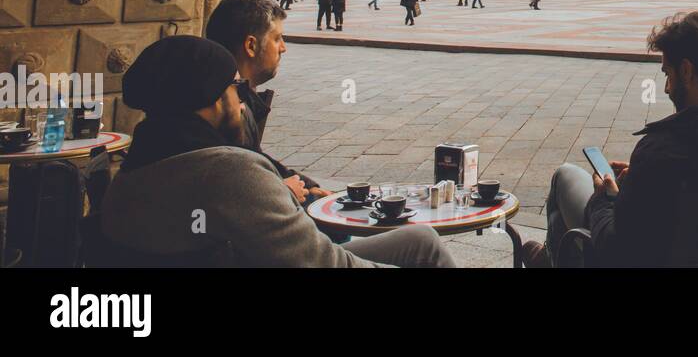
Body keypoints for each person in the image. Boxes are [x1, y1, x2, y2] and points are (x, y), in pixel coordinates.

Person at [100, 36, 456, 267]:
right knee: (425, 253)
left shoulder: (137, 164)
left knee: (420, 239)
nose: (241, 99)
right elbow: (323, 264)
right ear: (210, 97)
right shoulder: (226, 171)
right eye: (233, 86)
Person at [524, 12, 698, 268]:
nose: (666, 87)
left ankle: (553, 260)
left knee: (566, 176)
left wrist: (603, 200)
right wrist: (642, 181)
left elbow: (618, 251)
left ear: (686, 71)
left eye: (667, 73)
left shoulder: (663, 149)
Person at [204, 0, 326, 205]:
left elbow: (255, 158)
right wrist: (282, 190)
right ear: (251, 45)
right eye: (277, 38)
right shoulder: (216, 108)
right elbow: (225, 188)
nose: (283, 48)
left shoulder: (239, 96)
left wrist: (307, 185)